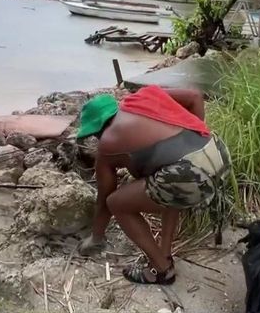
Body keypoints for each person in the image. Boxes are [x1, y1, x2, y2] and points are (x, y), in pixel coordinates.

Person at [76, 85, 231, 285]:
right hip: (217, 153)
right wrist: (195, 143)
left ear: (98, 128)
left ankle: (161, 270)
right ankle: (165, 255)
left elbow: (105, 199)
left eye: (94, 134)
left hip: (191, 174)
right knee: (168, 183)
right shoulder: (142, 97)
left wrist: (95, 238)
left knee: (117, 203)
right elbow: (195, 95)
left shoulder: (108, 143)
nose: (96, 139)